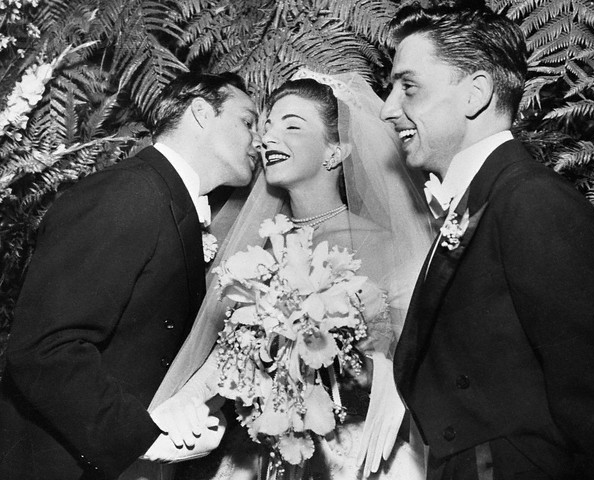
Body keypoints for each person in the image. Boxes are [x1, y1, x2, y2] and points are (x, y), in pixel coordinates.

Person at [380, 2, 594, 479]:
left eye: (407, 87)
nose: (387, 109)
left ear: (475, 93)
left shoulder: (532, 201)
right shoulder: (484, 198)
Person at [148, 70, 435, 479]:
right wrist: (183, 401)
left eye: (292, 126)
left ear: (335, 152)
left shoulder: (387, 246)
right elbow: (226, 357)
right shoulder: (255, 252)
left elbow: (427, 354)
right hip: (256, 454)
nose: (267, 138)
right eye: (265, 127)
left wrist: (389, 373)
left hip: (354, 456)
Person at [0, 72, 261, 480]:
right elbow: (45, 348)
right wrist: (143, 439)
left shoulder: (163, 197)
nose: (259, 139)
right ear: (200, 113)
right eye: (247, 121)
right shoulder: (128, 192)